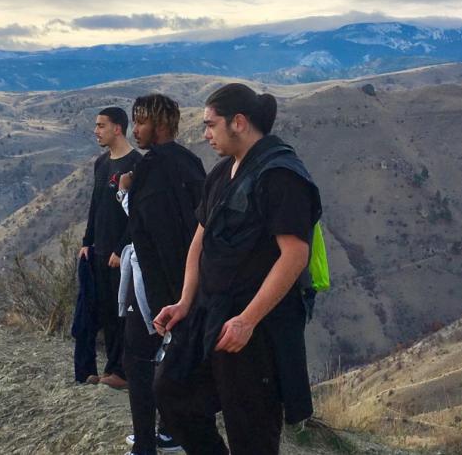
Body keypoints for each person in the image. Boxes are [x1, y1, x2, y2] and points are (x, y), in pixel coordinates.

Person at [152, 83, 322, 455]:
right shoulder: (221, 173)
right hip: (210, 315)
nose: (206, 134)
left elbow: (294, 255)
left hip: (256, 331)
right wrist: (184, 301)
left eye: (211, 125)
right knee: (173, 393)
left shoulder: (280, 176)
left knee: (252, 431)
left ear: (239, 122)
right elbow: (201, 239)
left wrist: (248, 319)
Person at [120, 94, 205, 455]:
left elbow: (152, 231)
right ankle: (171, 431)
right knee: (177, 361)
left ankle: (145, 444)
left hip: (157, 285)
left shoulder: (151, 169)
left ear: (159, 124)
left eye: (139, 122)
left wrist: (125, 193)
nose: (134, 130)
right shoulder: (191, 162)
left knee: (138, 360)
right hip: (192, 281)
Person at [76, 107, 141, 388]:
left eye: (101, 125)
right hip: (98, 250)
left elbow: (137, 214)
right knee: (100, 312)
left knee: (121, 315)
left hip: (121, 255)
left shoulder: (136, 164)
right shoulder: (102, 163)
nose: (96, 130)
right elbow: (95, 205)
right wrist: (86, 242)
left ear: (118, 128)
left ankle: (120, 372)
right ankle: (99, 370)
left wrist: (121, 247)